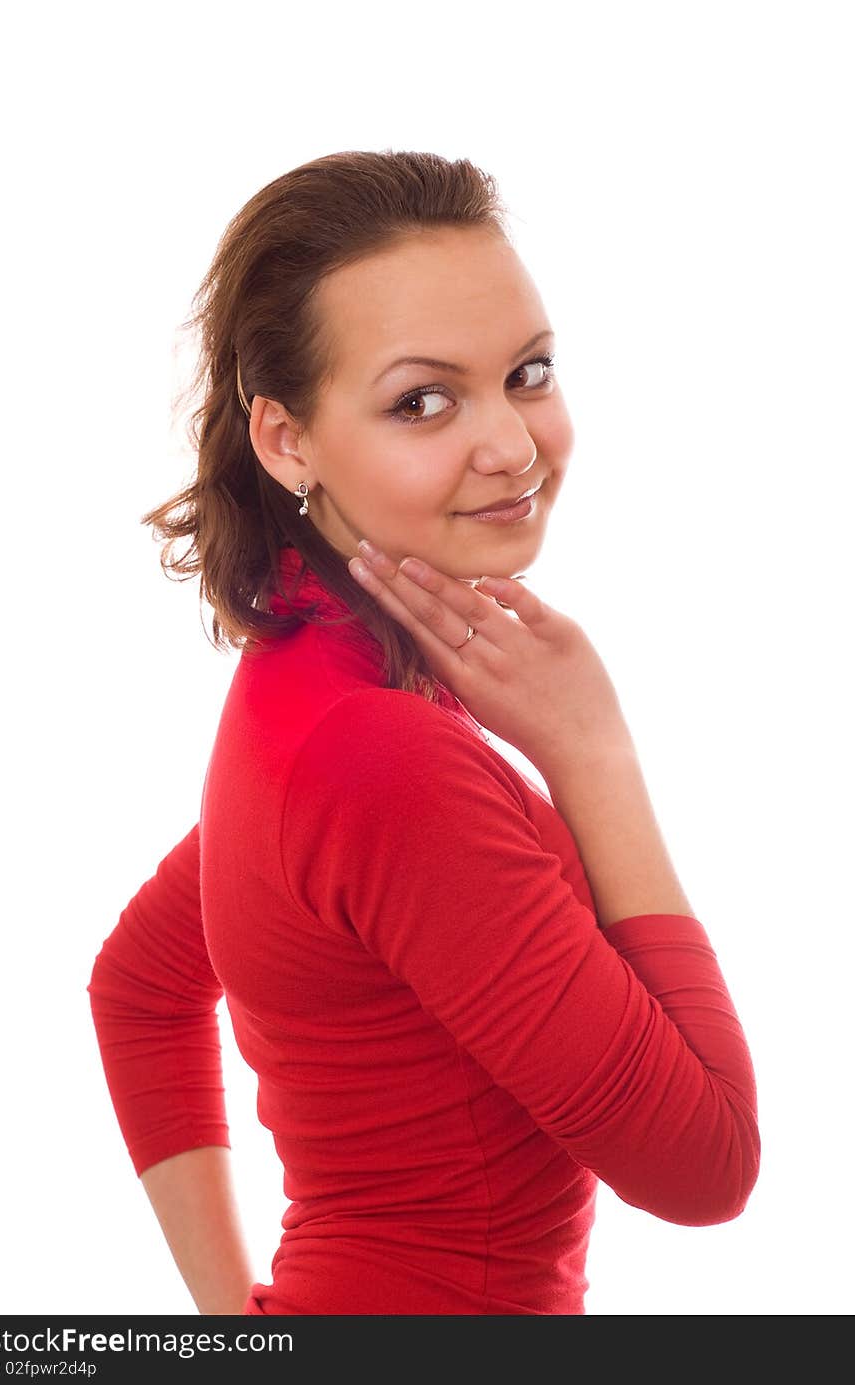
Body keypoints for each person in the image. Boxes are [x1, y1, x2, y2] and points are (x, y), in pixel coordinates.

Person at [87, 149, 760, 1317]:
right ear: (286, 438)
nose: (510, 445)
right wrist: (593, 752)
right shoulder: (376, 754)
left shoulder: (317, 680)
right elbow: (706, 1163)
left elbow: (137, 982)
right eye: (422, 400)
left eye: (527, 372)